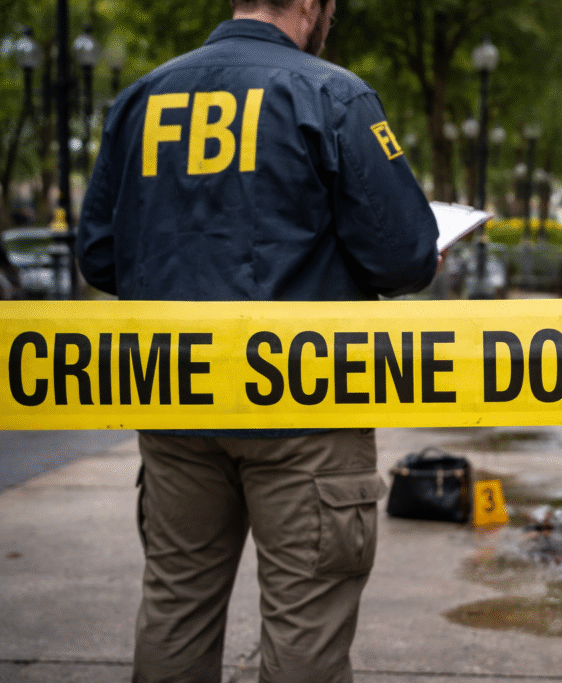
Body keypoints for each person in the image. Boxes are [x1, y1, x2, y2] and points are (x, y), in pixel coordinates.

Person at [76, 0, 439, 681]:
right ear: (309, 5)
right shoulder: (335, 94)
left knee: (175, 604)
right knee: (307, 626)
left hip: (176, 397)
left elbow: (99, 256)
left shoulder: (139, 99)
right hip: (304, 404)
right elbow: (404, 257)